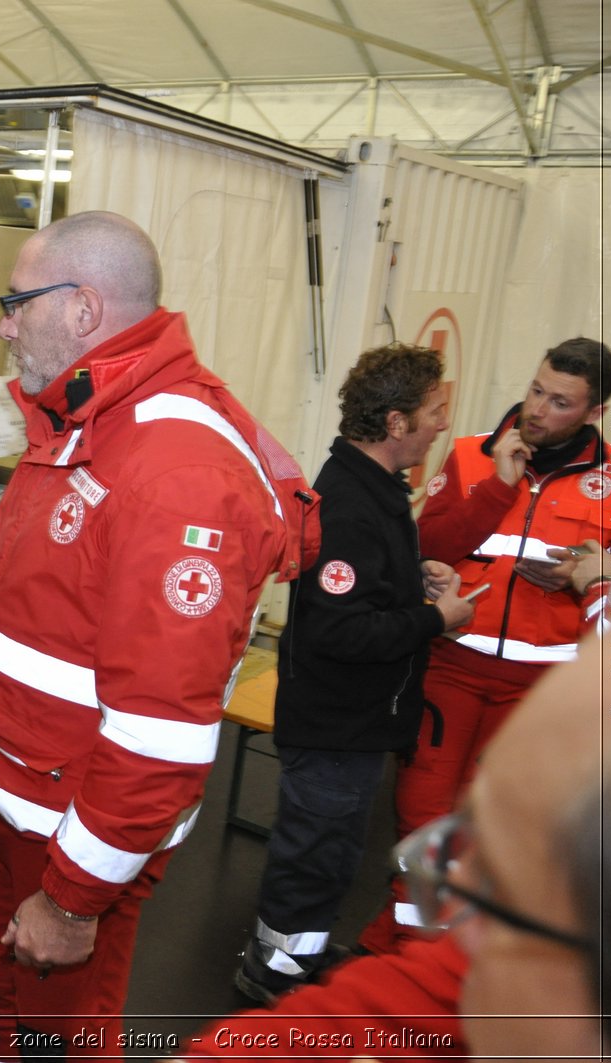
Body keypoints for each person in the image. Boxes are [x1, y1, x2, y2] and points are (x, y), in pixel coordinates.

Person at [0, 211, 307, 1058]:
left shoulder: (175, 471)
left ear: (82, 308)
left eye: (17, 301)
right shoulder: (86, 423)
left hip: (69, 832)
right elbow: (9, 580)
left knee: (58, 1035)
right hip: (12, 805)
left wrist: (74, 899)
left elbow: (161, 732)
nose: (4, 324)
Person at [175, 629, 611, 1063]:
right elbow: (376, 1013)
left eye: (499, 884)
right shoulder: (527, 956)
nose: (453, 884)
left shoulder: (521, 958)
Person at [360, 336, 611, 953]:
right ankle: (406, 948)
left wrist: (587, 577)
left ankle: (410, 945)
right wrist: (494, 495)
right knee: (422, 810)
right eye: (536, 389)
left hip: (542, 688)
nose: (537, 409)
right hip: (453, 665)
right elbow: (422, 549)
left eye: (559, 401)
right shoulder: (468, 456)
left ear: (593, 413)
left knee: (484, 823)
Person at [233, 344, 477, 1004]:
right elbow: (341, 630)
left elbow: (361, 593)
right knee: (313, 853)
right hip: (336, 721)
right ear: (396, 423)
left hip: (358, 719)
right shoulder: (350, 503)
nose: (443, 423)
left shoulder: (375, 490)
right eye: (435, 411)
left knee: (335, 853)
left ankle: (301, 948)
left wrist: (414, 579)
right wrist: (437, 620)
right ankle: (274, 974)